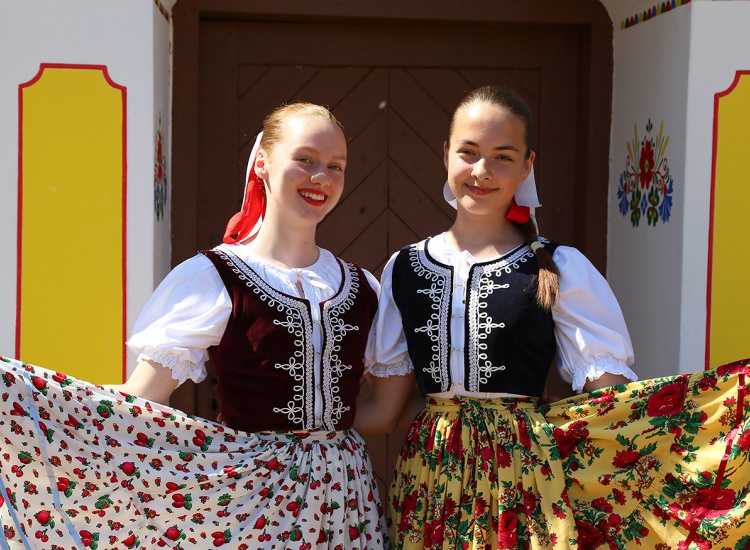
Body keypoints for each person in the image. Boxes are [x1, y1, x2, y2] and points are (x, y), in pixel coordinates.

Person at [0, 102, 405, 549]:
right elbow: (143, 398)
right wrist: (28, 402)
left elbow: (384, 413)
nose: (321, 177)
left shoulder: (362, 287)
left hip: (345, 498)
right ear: (263, 163)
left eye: (335, 166)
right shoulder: (214, 276)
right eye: (305, 159)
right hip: (252, 500)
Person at [364, 85, 750, 549]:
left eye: (503, 157)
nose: (482, 170)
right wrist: (297, 425)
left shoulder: (560, 266)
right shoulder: (404, 268)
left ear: (527, 165)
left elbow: (611, 400)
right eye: (468, 152)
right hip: (430, 480)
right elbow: (386, 412)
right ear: (446, 153)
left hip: (526, 479)